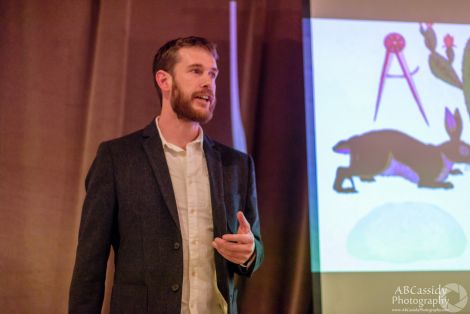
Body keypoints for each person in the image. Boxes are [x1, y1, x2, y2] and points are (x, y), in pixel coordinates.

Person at [69, 36, 263, 314]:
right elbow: (89, 263)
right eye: (196, 71)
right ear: (164, 80)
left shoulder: (236, 165)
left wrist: (249, 253)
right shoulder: (117, 158)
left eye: (213, 74)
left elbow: (254, 246)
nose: (208, 82)